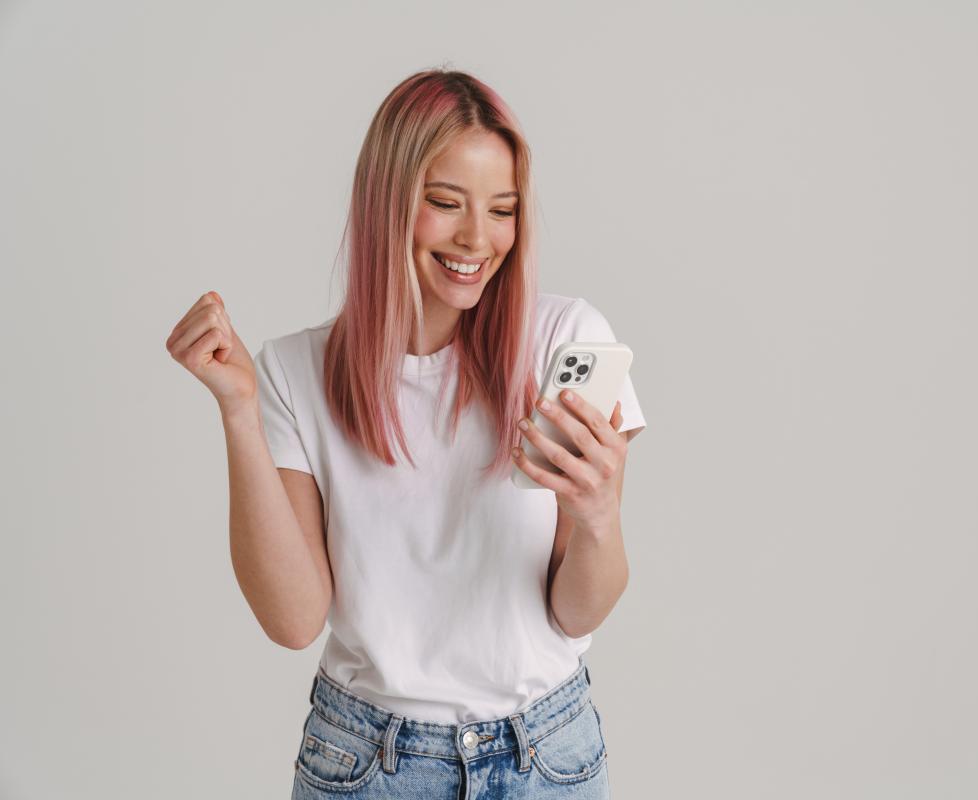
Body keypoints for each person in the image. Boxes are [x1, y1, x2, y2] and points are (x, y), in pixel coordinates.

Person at [164, 68, 646, 799]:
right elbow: (293, 621)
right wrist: (238, 411)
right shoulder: (292, 373)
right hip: (367, 763)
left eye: (503, 209)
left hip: (546, 756)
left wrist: (599, 516)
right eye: (445, 202)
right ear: (386, 203)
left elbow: (577, 610)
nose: (477, 238)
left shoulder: (565, 340)